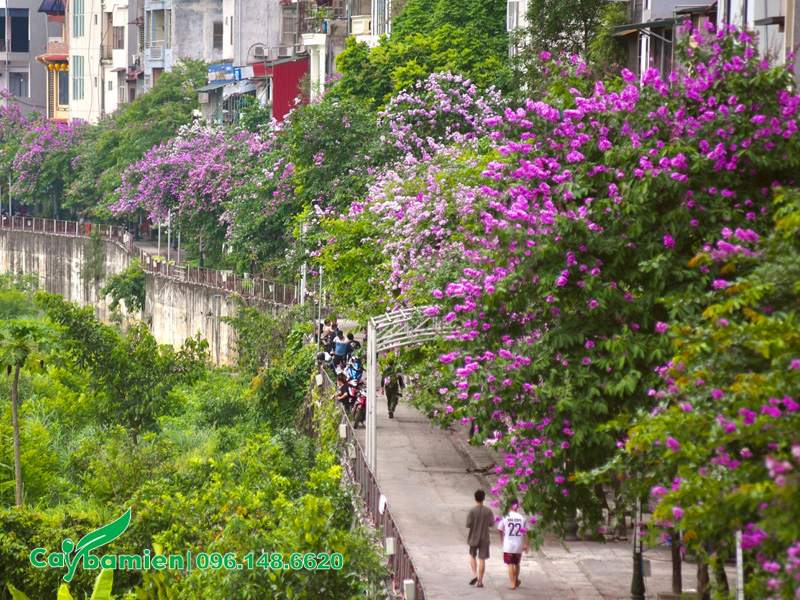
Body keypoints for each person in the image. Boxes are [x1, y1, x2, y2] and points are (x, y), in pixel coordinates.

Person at [497, 505, 529, 590]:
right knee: (517, 563)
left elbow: (500, 529)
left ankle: (512, 583)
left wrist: (502, 539)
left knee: (510, 563)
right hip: (519, 543)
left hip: (508, 544)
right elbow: (527, 532)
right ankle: (515, 579)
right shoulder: (522, 518)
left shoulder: (505, 517)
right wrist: (526, 544)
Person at [466, 489, 493, 588]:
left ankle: (474, 574)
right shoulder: (488, 511)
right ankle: (480, 581)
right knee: (482, 559)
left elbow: (468, 524)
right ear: (484, 499)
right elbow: (491, 523)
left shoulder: (472, 511)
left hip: (474, 537)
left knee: (472, 555)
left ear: (475, 498)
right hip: (484, 538)